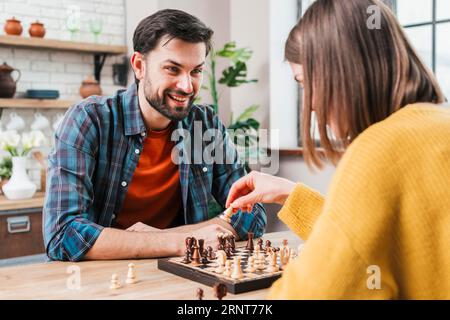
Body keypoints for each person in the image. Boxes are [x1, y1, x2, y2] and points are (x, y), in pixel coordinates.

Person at [226, 0, 449, 299]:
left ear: (340, 72)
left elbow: (316, 292)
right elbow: (371, 240)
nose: (312, 104)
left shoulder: (379, 150)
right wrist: (290, 194)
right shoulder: (437, 124)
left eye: (305, 83)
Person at [43, 9, 266, 262]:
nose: (187, 86)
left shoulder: (205, 124)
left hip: (177, 274)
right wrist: (184, 240)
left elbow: (252, 213)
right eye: (173, 69)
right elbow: (63, 235)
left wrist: (169, 239)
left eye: (196, 71)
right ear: (139, 66)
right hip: (100, 281)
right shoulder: (89, 120)